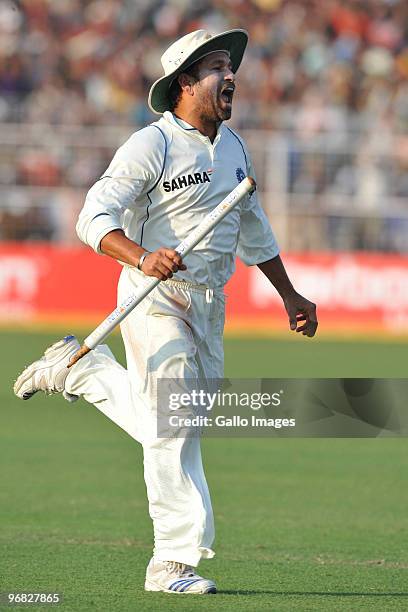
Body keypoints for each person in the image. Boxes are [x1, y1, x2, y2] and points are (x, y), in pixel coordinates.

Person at [14, 29, 318, 595]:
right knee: (173, 429)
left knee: (173, 424)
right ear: (185, 83)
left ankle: (84, 371)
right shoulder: (149, 145)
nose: (231, 77)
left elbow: (253, 228)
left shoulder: (235, 148)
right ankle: (172, 562)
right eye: (216, 68)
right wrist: (142, 255)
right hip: (153, 299)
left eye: (231, 67)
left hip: (210, 303)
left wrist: (289, 293)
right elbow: (93, 216)